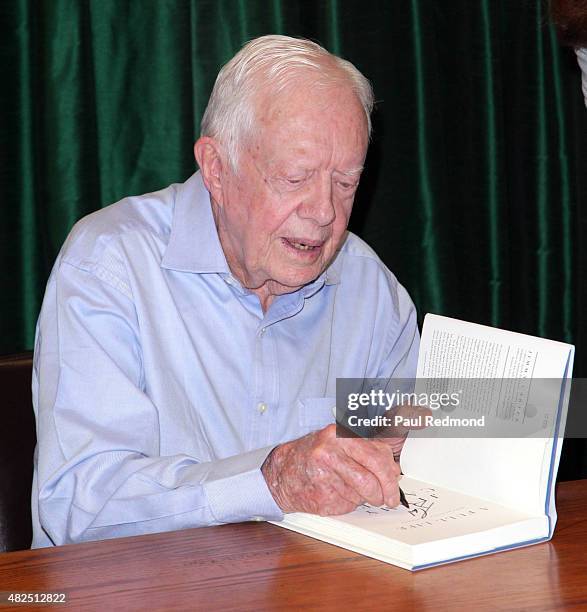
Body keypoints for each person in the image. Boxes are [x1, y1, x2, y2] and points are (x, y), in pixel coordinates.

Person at [31, 35, 420, 547]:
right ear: (216, 168)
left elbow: (414, 459)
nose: (325, 212)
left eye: (345, 183)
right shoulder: (110, 265)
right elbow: (79, 502)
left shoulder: (370, 291)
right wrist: (271, 480)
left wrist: (446, 436)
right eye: (295, 177)